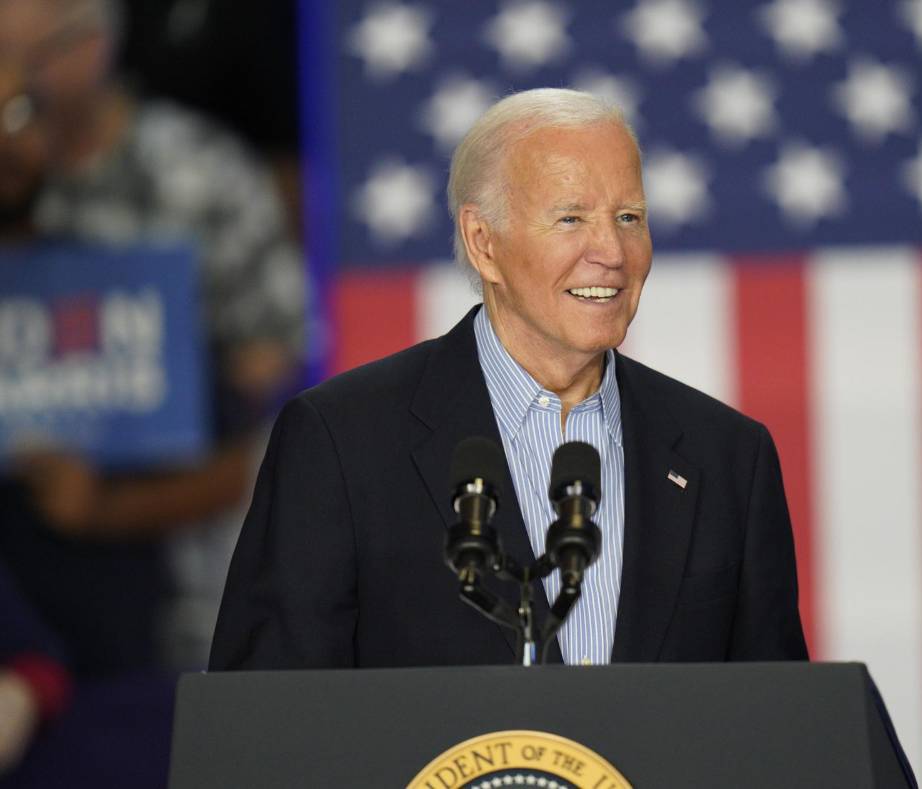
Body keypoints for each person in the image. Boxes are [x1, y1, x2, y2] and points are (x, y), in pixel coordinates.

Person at [209, 89, 808, 670]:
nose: (612, 252)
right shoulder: (340, 442)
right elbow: (269, 713)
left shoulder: (728, 457)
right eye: (571, 218)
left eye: (629, 217)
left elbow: (776, 717)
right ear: (483, 242)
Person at [0, 0, 307, 671]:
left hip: (173, 607)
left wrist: (109, 501)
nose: (11, 83)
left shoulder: (196, 175)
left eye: (23, 59)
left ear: (90, 46)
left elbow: (272, 389)